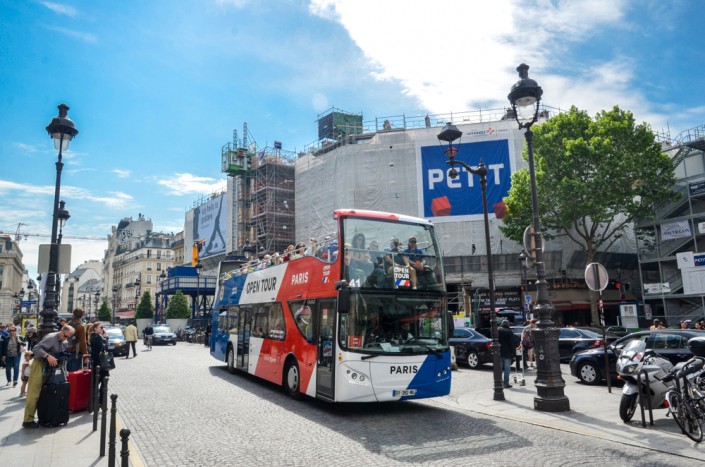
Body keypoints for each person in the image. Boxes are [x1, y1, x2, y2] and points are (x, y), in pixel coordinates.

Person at [22, 324, 75, 428]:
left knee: (47, 392)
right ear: (61, 331)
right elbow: (36, 348)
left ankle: (45, 416)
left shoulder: (64, 341)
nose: (66, 339)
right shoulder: (51, 337)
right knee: (34, 392)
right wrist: (47, 356)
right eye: (65, 336)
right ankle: (28, 420)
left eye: (69, 337)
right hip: (40, 365)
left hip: (51, 368)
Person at [89, 322, 110, 404]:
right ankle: (100, 401)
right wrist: (105, 339)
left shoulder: (94, 336)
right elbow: (103, 348)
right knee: (103, 380)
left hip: (97, 362)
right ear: (95, 328)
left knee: (97, 382)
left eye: (103, 327)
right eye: (101, 327)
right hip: (100, 363)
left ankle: (95, 401)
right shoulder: (97, 337)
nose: (103, 329)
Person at [498, 320, 519, 388]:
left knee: (499, 369)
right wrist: (514, 354)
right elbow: (512, 344)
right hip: (507, 353)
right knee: (507, 369)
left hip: (498, 352)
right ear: (508, 324)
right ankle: (506, 383)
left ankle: (499, 383)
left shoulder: (498, 330)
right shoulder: (510, 332)